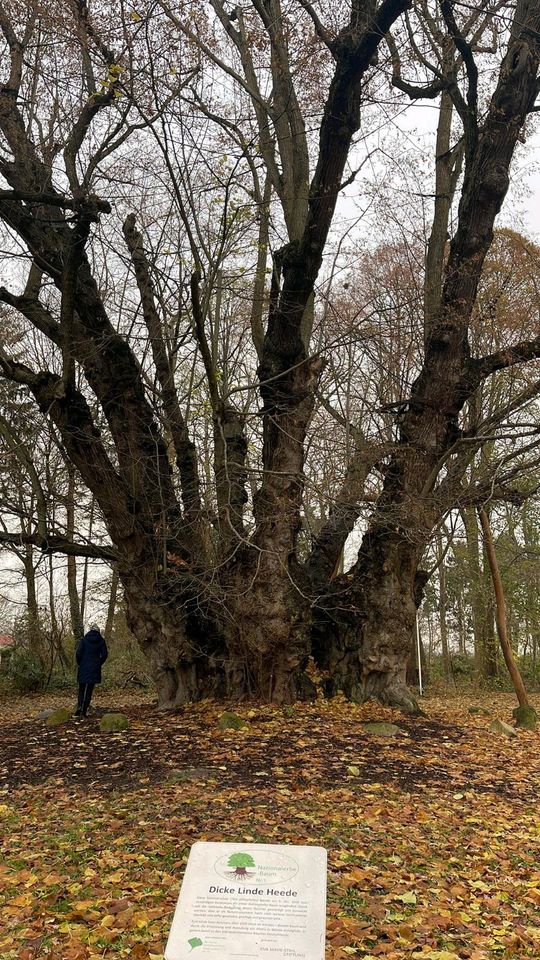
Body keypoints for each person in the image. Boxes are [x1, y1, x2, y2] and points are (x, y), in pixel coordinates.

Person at [74, 624, 108, 718]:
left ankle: (79, 708)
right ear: (98, 631)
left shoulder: (84, 640)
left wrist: (80, 663)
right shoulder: (101, 641)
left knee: (81, 689)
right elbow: (105, 655)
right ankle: (84, 711)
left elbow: (78, 653)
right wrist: (98, 663)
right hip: (94, 668)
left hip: (83, 667)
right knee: (89, 690)